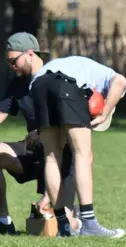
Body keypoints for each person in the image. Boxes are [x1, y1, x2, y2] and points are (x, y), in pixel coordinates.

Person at [28, 45, 126, 239]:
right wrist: (105, 112)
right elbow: (121, 82)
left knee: (51, 156)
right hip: (66, 85)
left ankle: (63, 225)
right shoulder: (107, 76)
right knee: (83, 154)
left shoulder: (78, 65)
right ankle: (89, 223)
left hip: (38, 85)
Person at [0, 32, 79, 235]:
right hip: (34, 152)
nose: (11, 65)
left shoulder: (57, 77)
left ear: (30, 54)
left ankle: (74, 215)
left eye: (13, 60)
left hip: (62, 156)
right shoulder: (17, 84)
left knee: (63, 228)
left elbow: (72, 123)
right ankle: (3, 222)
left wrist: (42, 132)